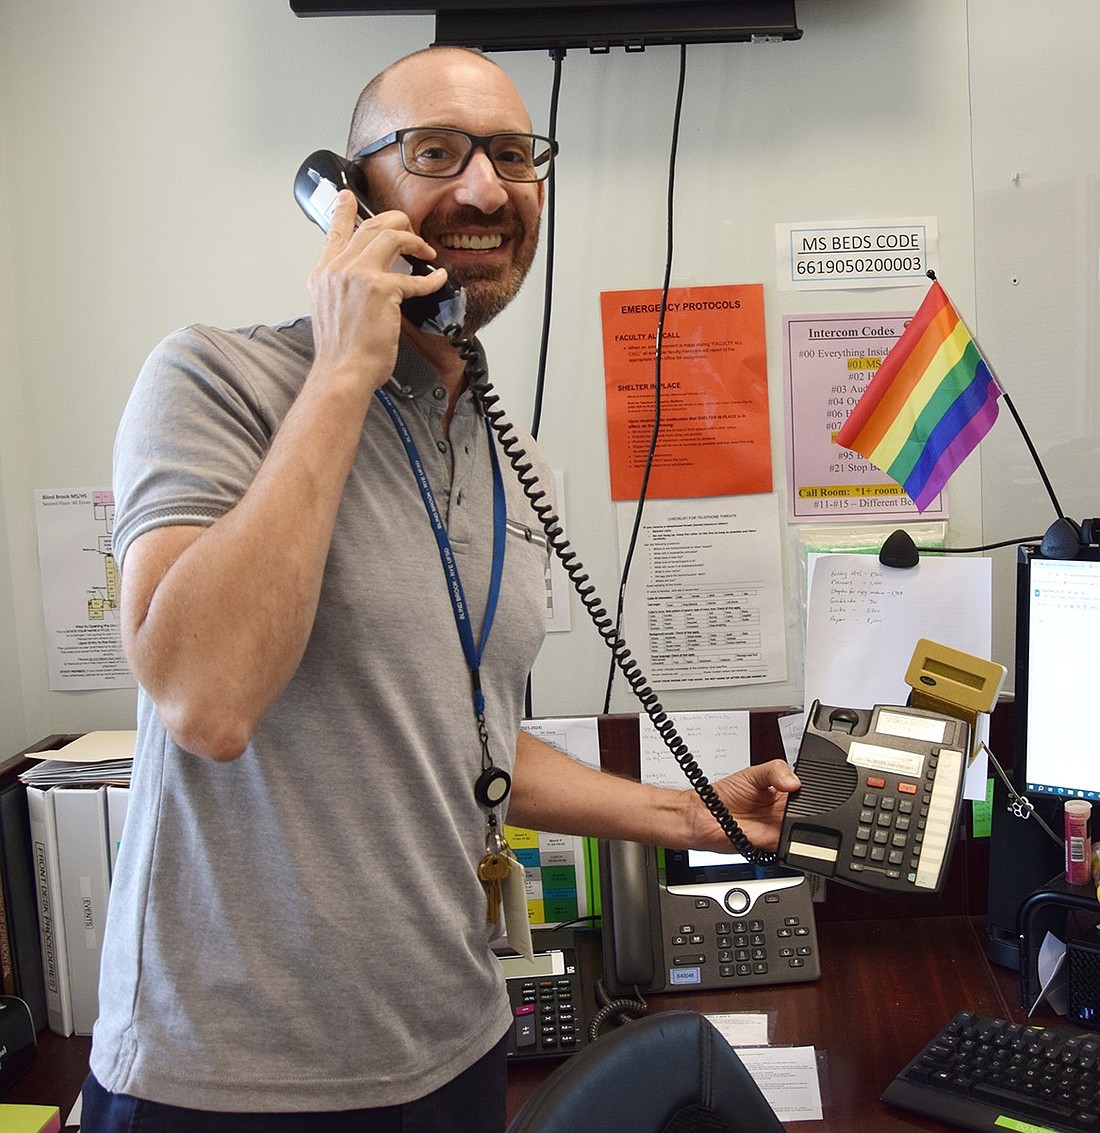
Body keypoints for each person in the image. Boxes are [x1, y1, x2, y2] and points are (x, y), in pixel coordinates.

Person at [84, 44, 800, 1133]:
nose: (481, 188)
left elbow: (464, 737)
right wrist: (341, 371)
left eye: (512, 156)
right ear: (349, 195)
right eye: (434, 152)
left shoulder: (511, 463)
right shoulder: (211, 381)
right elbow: (206, 699)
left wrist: (687, 809)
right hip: (227, 1081)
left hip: (456, 1048)